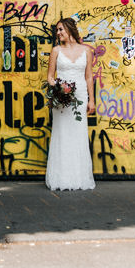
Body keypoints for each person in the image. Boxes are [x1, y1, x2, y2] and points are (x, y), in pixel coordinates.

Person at [44, 17, 96, 191]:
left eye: (60, 30)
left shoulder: (86, 50)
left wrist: (91, 100)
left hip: (80, 95)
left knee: (78, 135)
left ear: (69, 29)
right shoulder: (56, 50)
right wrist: (59, 88)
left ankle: (79, 178)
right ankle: (61, 178)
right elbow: (50, 76)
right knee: (62, 134)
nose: (58, 33)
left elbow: (89, 76)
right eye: (57, 31)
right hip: (62, 99)